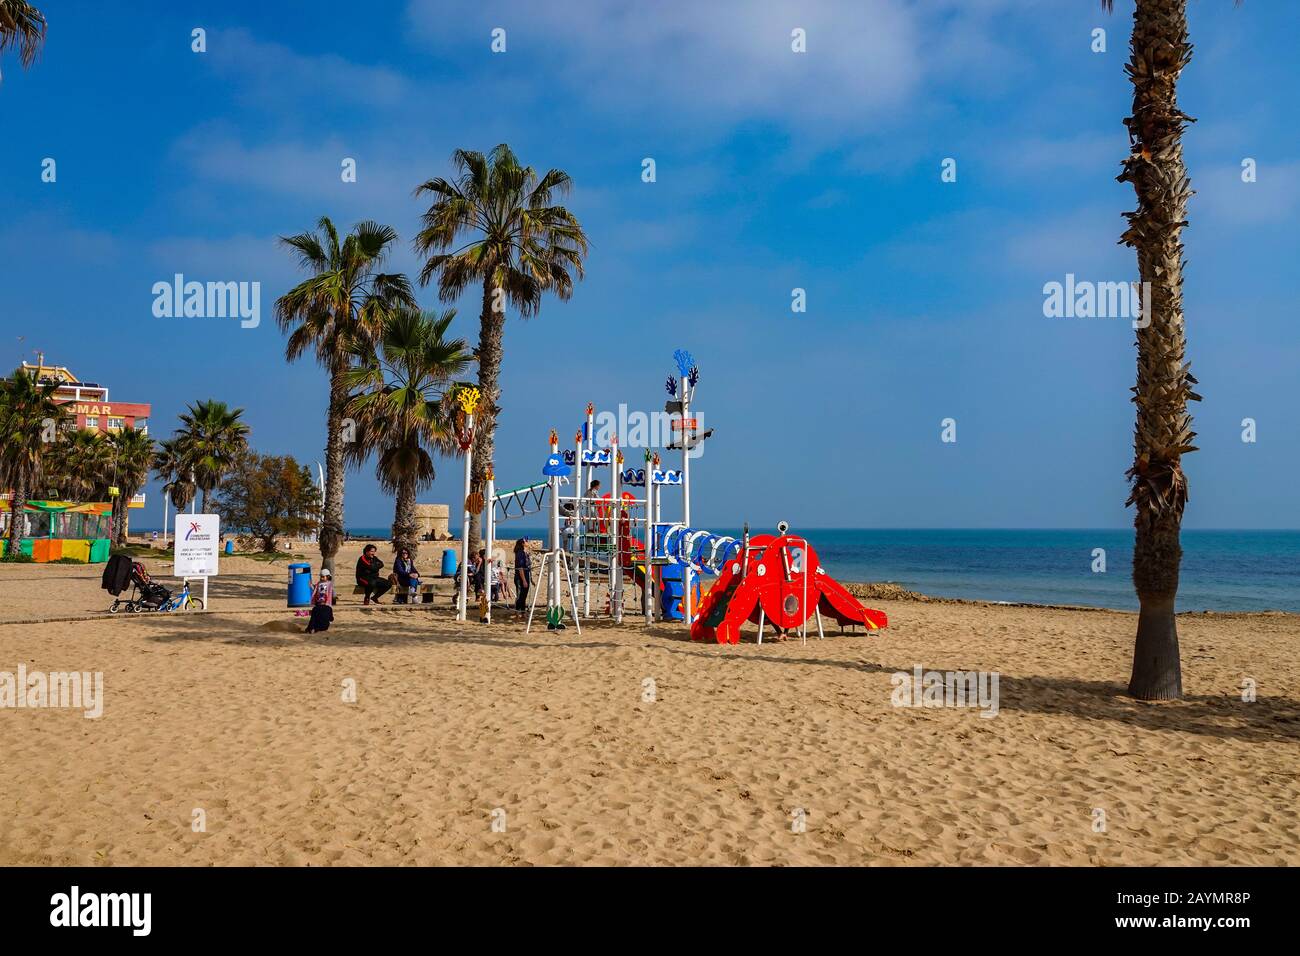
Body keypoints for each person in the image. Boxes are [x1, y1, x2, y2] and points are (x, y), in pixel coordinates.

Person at [306, 568, 335, 633]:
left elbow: (328, 593)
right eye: (321, 577)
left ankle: (313, 628)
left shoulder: (329, 584)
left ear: (327, 577)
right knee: (317, 615)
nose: (321, 578)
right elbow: (315, 590)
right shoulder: (319, 583)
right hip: (319, 601)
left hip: (325, 602)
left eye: (323, 577)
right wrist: (311, 586)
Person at [513, 538, 531, 611]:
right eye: (526, 541)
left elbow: (528, 566)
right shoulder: (520, 553)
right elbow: (520, 568)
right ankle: (517, 612)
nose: (528, 542)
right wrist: (524, 580)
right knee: (520, 595)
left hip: (526, 575)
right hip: (520, 577)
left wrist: (530, 579)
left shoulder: (524, 553)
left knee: (524, 595)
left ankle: (522, 612)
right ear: (522, 544)